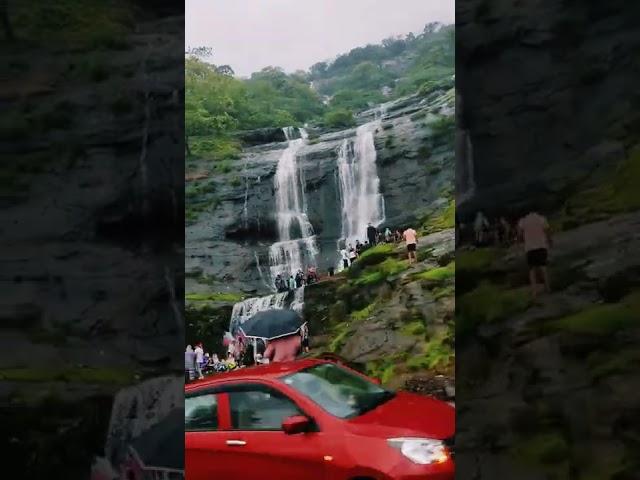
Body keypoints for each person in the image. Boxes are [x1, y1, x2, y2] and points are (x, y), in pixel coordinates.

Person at [518, 209, 552, 299]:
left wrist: (522, 242)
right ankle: (548, 288)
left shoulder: (523, 221)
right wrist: (549, 241)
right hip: (541, 245)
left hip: (530, 248)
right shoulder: (541, 218)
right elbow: (547, 231)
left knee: (532, 270)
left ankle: (534, 292)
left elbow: (520, 235)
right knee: (543, 267)